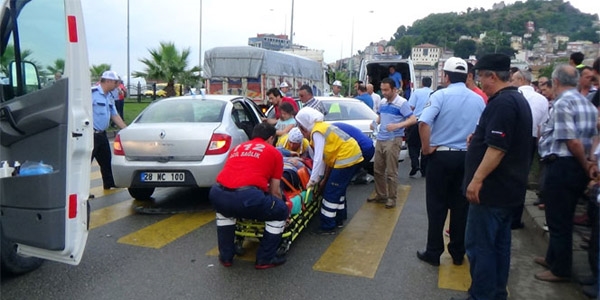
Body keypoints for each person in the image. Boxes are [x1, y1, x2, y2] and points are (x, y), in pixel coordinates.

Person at [456, 53, 533, 300]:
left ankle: (481, 295)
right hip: (507, 191)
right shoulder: (516, 100)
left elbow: (498, 148)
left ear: (491, 75)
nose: (480, 84)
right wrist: (478, 139)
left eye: (481, 77)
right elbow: (501, 140)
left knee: (480, 247)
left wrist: (476, 180)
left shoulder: (502, 103)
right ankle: (496, 293)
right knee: (499, 247)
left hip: (491, 191)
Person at [415, 57, 485, 268]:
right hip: (467, 158)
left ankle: (434, 252)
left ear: (446, 76)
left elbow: (424, 122)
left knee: (436, 207)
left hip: (441, 156)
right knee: (461, 207)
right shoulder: (478, 100)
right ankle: (457, 251)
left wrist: (426, 149)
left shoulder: (440, 96)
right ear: (467, 77)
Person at [535, 64, 598, 283]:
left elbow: (572, 141)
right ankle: (552, 257)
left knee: (558, 219)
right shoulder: (588, 104)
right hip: (576, 167)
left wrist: (583, 163)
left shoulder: (563, 104)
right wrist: (589, 163)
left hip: (563, 165)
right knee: (564, 215)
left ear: (556, 82)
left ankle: (560, 268)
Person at [209, 123, 289, 269]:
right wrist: (279, 207)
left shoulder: (237, 148)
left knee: (225, 213)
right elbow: (275, 191)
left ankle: (226, 257)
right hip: (247, 196)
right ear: (271, 138)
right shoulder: (274, 152)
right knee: (281, 211)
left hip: (218, 193)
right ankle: (265, 258)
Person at [295, 107, 364, 235]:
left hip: (345, 157)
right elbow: (322, 158)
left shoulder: (317, 132)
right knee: (339, 189)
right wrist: (319, 177)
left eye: (300, 126)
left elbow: (318, 159)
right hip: (351, 155)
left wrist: (313, 180)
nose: (300, 129)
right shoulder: (322, 126)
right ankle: (339, 218)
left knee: (330, 192)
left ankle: (327, 226)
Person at [509, 69, 549, 229]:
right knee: (522, 177)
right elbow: (542, 126)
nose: (511, 82)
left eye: (513, 79)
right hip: (531, 140)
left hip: (511, 137)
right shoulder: (541, 99)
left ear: (520, 80)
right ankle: (515, 218)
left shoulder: (513, 96)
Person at [367, 77, 416, 208]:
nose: (384, 93)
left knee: (391, 172)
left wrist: (398, 125)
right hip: (381, 138)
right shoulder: (383, 102)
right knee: (377, 170)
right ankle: (381, 195)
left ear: (394, 89)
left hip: (394, 139)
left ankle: (392, 198)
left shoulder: (401, 103)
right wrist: (375, 123)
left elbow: (413, 119)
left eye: (386, 90)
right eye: (382, 90)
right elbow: (380, 116)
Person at [91, 71, 127, 190]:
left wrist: (126, 130)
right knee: (85, 164)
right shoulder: (92, 94)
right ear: (108, 81)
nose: (117, 85)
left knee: (106, 160)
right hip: (91, 134)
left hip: (102, 134)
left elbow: (114, 115)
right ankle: (82, 191)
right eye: (115, 82)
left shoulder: (109, 96)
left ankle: (109, 183)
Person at [406, 76, 433, 177]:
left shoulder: (417, 92)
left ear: (422, 83)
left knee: (413, 145)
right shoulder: (433, 93)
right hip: (428, 123)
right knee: (425, 145)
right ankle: (424, 169)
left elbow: (411, 107)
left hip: (416, 122)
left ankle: (415, 164)